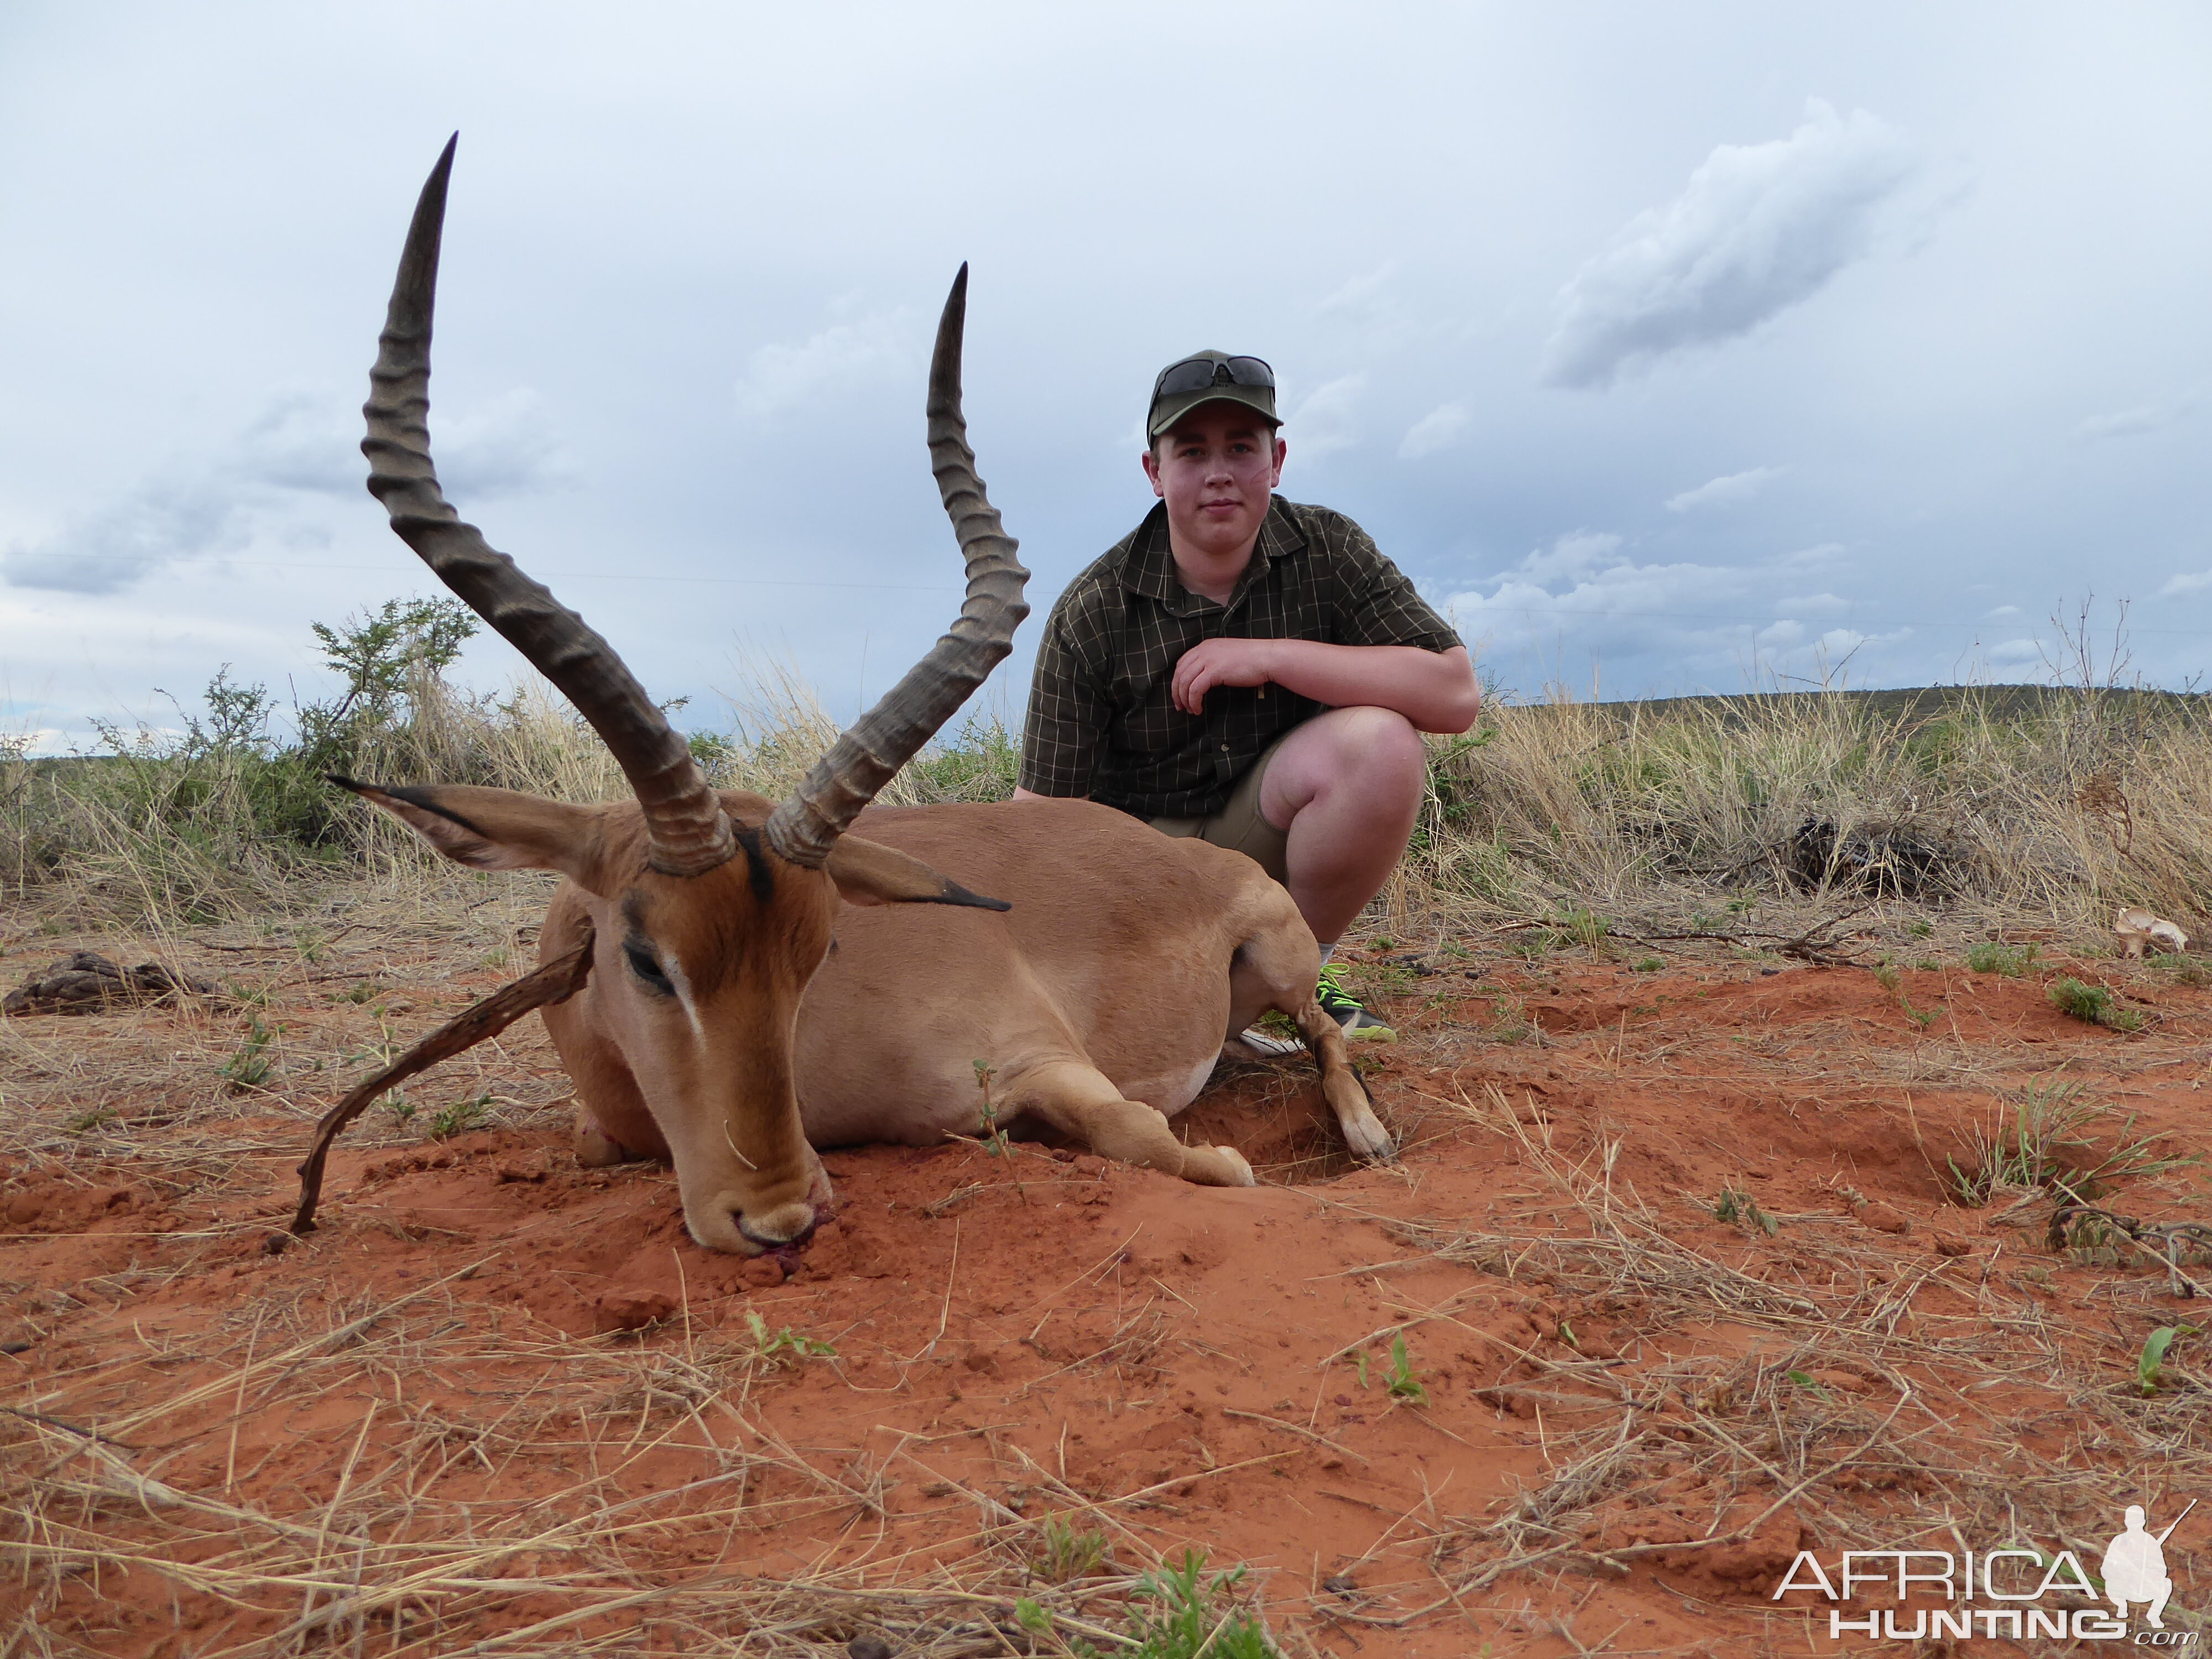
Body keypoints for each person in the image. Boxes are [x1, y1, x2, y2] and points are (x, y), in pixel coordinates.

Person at [1013, 350, 1481, 1039]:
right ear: (1154, 472)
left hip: (1264, 844)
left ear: (1277, 460)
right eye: (1192, 451)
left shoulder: (1330, 548)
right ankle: (1165, 991)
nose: (1219, 474)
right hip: (1142, 872)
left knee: (1381, 744)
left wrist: (1272, 658)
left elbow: (1454, 695)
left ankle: (1292, 981)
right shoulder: (1093, 606)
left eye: (1241, 447)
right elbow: (1039, 819)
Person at [2101, 1505, 2176, 1627]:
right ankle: (2122, 1606)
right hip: (2123, 1587)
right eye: (2131, 1521)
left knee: (2166, 1584)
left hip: (2144, 1588)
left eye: (2137, 1521)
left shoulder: (2150, 1542)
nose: (2134, 1525)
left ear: (2143, 1522)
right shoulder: (2119, 1540)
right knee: (2110, 1583)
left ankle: (2154, 1615)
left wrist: (2147, 1568)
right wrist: (2123, 1569)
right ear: (2126, 1522)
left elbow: (2162, 1570)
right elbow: (2106, 1568)